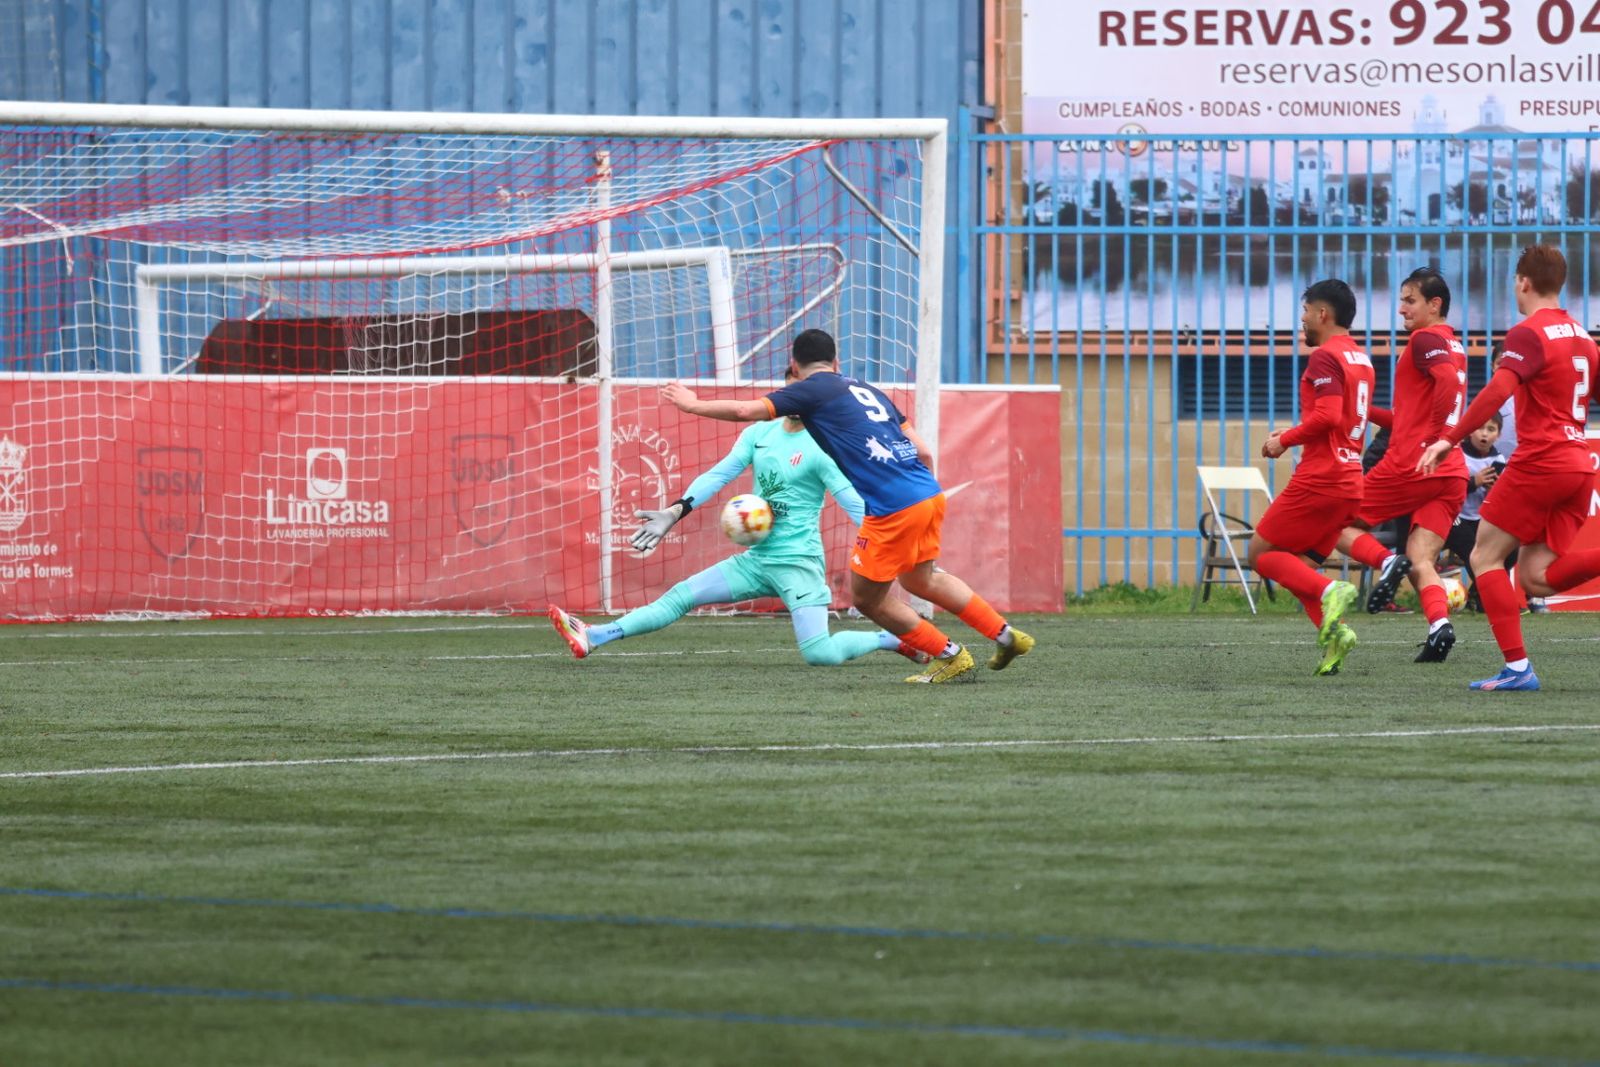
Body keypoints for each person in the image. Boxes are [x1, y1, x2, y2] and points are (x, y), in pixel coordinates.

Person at [660, 328, 1034, 684]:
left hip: (892, 507)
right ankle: (1004, 635)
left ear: (794, 365)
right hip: (927, 492)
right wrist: (922, 492)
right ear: (836, 361)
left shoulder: (810, 390)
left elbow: (744, 412)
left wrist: (691, 405)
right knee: (921, 580)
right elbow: (923, 450)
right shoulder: (868, 389)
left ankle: (951, 656)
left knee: (868, 600)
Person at [547, 382, 930, 668]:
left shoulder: (824, 448)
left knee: (819, 653)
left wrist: (899, 544)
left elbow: (853, 503)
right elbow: (720, 474)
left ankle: (890, 639)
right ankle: (594, 635)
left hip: (798, 564)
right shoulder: (759, 434)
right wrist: (675, 510)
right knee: (681, 595)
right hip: (755, 560)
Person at [1417, 244, 1600, 691]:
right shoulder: (1583, 338)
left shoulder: (1527, 333)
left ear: (1522, 282)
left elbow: (1497, 391)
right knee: (1535, 579)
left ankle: (1517, 668)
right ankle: (1517, 668)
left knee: (1484, 555)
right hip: (1578, 464)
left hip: (1541, 461)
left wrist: (1449, 438)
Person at [1332, 267, 1468, 662]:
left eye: (1410, 301)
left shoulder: (1426, 340)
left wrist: (1437, 439)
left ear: (1434, 304)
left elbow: (1443, 384)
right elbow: (1405, 417)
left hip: (1415, 464)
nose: (1401, 310)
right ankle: (1440, 626)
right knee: (1422, 558)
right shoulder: (1451, 344)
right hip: (1451, 473)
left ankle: (1386, 562)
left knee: (1332, 522)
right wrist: (1359, 409)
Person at [1248, 279, 1374, 676]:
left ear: (1323, 314)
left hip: (1322, 478)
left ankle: (1331, 590)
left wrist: (1283, 440)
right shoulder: (1361, 358)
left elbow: (1328, 416)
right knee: (1296, 566)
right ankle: (1335, 636)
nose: (1302, 321)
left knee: (1261, 555)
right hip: (1350, 479)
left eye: (1305, 312)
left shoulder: (1324, 357)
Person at [1445, 411, 1508, 609]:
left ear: (1498, 434)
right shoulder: (1457, 454)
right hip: (1454, 516)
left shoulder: (1499, 459)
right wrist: (1474, 482)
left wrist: (1493, 491)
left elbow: (1501, 499)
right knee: (1475, 552)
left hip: (1481, 519)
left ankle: (1476, 595)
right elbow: (1446, 489)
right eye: (1480, 428)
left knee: (1511, 548)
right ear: (1469, 431)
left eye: (1491, 429)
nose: (1484, 434)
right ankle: (1491, 600)